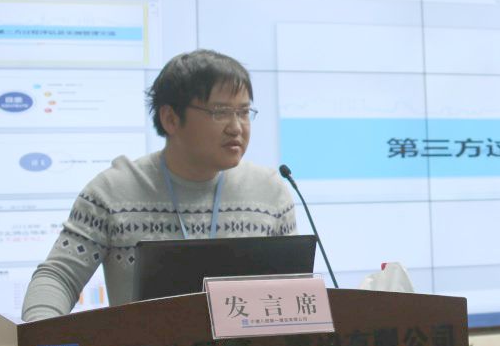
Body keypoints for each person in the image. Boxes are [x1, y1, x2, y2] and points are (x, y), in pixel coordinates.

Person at [21, 49, 296, 321]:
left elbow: (295, 293)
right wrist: (38, 333)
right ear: (170, 119)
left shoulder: (270, 193)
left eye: (244, 112)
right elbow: (59, 276)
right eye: (220, 112)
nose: (236, 127)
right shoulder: (113, 191)